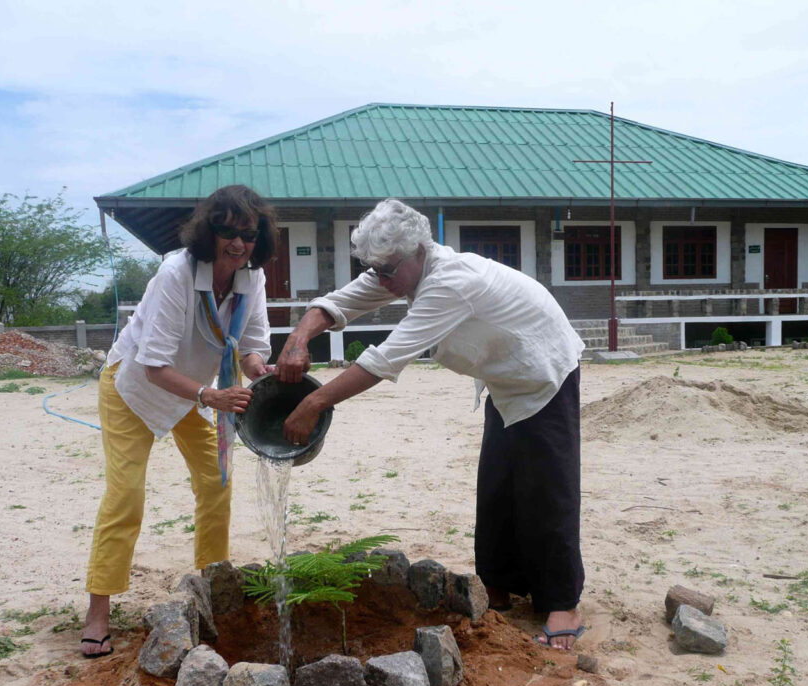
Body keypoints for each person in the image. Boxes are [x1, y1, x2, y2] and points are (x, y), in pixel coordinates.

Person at [276, 199, 587, 649]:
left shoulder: (450, 283)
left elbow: (386, 358)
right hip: (503, 380)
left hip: (543, 372)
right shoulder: (398, 266)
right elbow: (338, 303)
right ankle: (498, 586)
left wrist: (314, 403)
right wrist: (297, 339)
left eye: (386, 271)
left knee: (547, 489)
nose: (380, 280)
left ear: (419, 250)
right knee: (498, 485)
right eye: (374, 270)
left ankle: (562, 602)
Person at [80, 185, 277, 658]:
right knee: (125, 495)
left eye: (247, 234)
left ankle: (212, 585)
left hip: (194, 392)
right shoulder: (176, 273)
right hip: (135, 388)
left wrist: (262, 371)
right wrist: (211, 394)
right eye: (226, 231)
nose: (237, 243)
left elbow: (251, 347)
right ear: (207, 231)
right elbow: (152, 365)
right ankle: (98, 610)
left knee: (216, 484)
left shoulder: (253, 278)